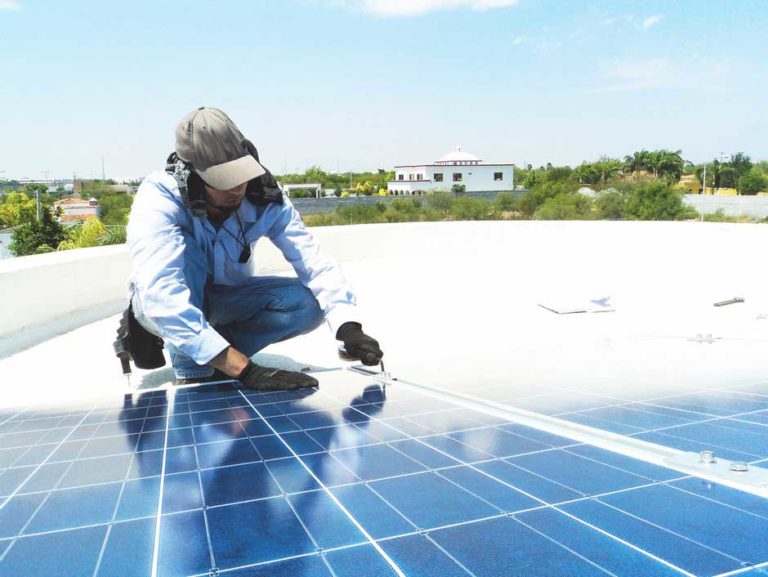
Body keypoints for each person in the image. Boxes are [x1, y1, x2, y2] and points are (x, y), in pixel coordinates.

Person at [126, 106, 383, 390]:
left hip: (227, 297)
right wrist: (246, 371)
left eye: (241, 174)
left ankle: (215, 353)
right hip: (161, 303)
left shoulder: (265, 195)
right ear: (193, 176)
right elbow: (162, 294)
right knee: (185, 255)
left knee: (308, 305)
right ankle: (195, 363)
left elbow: (313, 260)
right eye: (223, 181)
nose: (237, 187)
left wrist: (349, 326)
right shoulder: (160, 197)